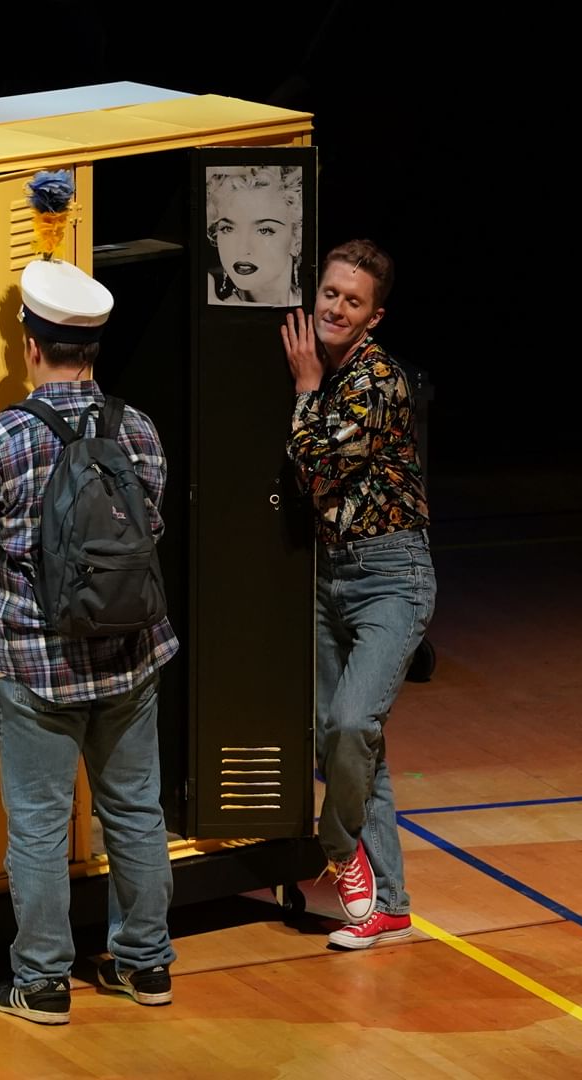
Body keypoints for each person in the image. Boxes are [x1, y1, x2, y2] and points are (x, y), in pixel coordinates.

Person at [0, 258, 179, 1024]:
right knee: (136, 812)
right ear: (93, 350)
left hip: (36, 669)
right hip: (132, 656)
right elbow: (153, 528)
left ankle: (42, 983)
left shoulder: (0, 442)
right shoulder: (136, 428)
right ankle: (147, 967)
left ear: (30, 347)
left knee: (39, 824)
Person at [280, 239, 434, 949]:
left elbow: (315, 468)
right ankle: (388, 905)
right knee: (348, 744)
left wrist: (306, 390)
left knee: (349, 728)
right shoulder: (326, 369)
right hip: (328, 575)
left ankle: (338, 848)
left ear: (374, 316)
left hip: (390, 577)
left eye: (353, 300)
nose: (337, 307)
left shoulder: (377, 383)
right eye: (331, 294)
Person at [205, 165, 304, 307]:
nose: (242, 248)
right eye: (227, 228)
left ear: (297, 240)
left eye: (264, 230)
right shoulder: (214, 315)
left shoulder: (321, 309)